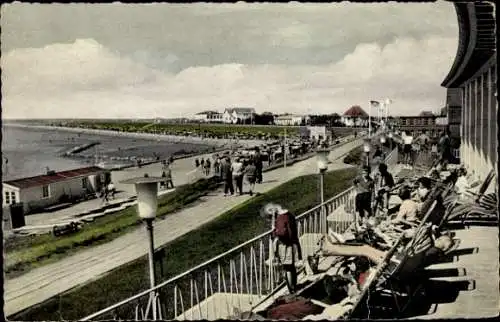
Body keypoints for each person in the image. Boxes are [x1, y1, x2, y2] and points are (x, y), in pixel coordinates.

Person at [272, 207, 303, 293]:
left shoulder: (280, 218)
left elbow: (280, 233)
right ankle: (294, 286)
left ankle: (291, 289)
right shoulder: (290, 216)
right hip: (293, 244)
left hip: (285, 245)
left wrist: (274, 231)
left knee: (287, 268)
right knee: (292, 267)